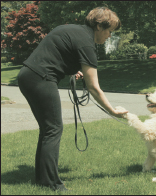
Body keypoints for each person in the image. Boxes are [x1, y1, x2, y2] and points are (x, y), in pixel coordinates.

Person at [17, 7, 128, 191]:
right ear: (99, 26)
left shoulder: (71, 30)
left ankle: (43, 179)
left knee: (48, 130)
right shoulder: (87, 44)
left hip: (27, 75)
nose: (109, 36)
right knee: (53, 129)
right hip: (41, 78)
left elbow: (57, 54)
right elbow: (94, 87)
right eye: (109, 31)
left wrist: (71, 70)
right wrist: (113, 111)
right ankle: (51, 184)